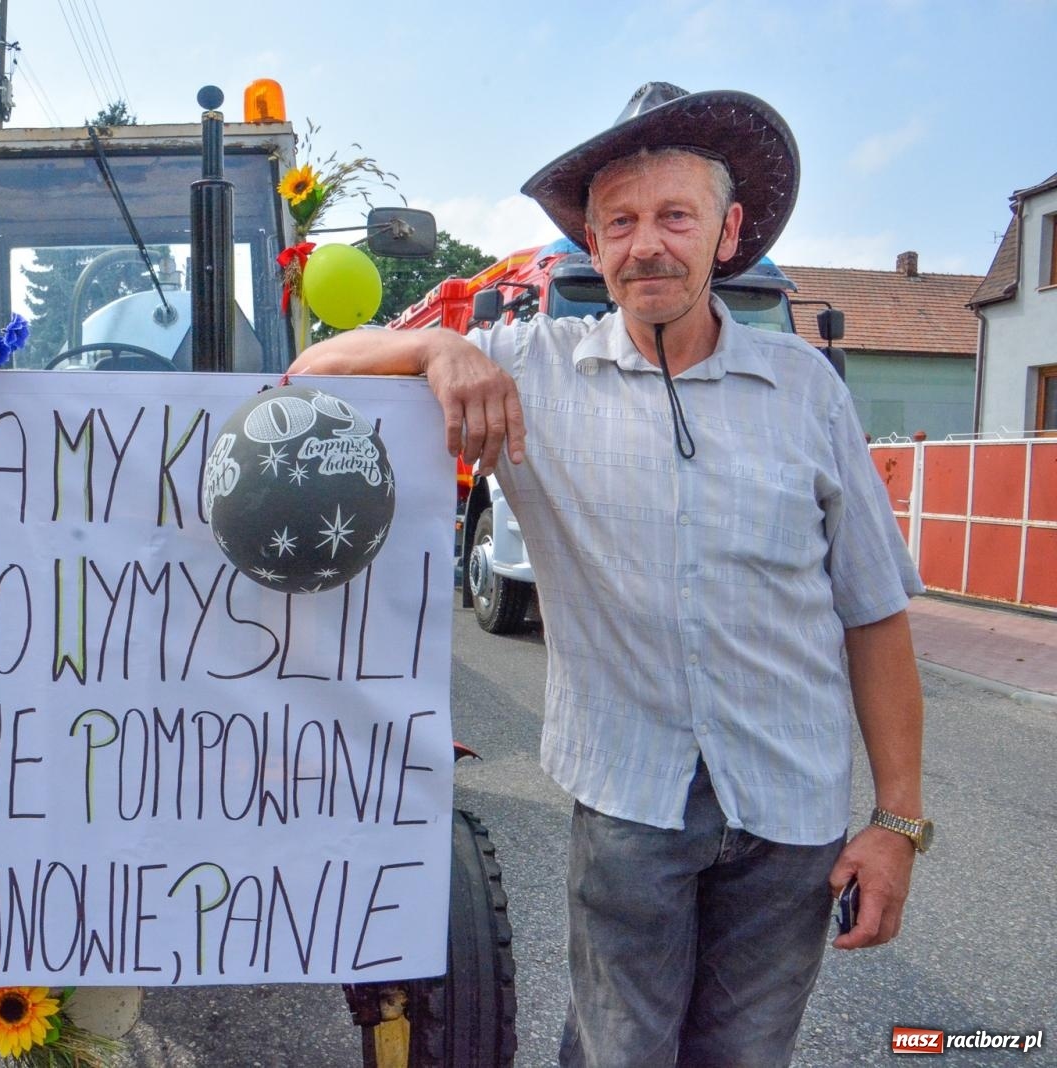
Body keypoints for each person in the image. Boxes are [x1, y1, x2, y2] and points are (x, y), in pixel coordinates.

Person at [291, 82, 931, 1067]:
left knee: (744, 1056)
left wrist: (894, 823)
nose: (646, 245)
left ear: (729, 234)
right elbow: (306, 378)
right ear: (592, 245)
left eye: (675, 216)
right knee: (614, 1052)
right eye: (620, 221)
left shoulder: (806, 391)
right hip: (629, 806)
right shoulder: (528, 370)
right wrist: (435, 345)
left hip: (791, 820)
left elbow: (873, 613)